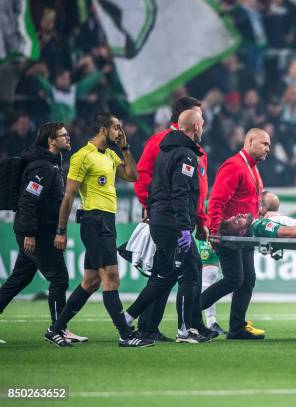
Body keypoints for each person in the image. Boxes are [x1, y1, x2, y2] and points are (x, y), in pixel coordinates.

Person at [44, 112, 151, 348]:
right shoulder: (83, 156)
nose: (120, 132)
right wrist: (60, 230)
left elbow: (132, 176)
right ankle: (125, 334)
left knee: (91, 282)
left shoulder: (111, 154)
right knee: (111, 279)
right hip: (94, 221)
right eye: (116, 128)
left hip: (107, 221)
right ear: (103, 129)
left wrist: (126, 148)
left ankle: (55, 329)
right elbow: (69, 195)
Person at [133, 96, 218, 341]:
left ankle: (150, 325)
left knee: (169, 272)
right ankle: (184, 326)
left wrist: (201, 219)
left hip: (184, 217)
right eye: (198, 115)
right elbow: (144, 174)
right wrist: (150, 205)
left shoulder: (196, 148)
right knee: (184, 270)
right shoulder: (160, 142)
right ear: (185, 117)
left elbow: (199, 189)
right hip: (169, 217)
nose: (202, 120)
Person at [0, 123, 86, 344]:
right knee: (59, 279)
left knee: (19, 279)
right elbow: (28, 201)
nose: (68, 138)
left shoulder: (51, 164)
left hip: (36, 231)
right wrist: (29, 233)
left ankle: (60, 327)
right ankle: (58, 329)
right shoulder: (43, 169)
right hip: (37, 233)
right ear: (51, 140)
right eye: (63, 135)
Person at [203, 128, 270, 340]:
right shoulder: (234, 166)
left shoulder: (253, 168)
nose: (268, 148)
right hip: (229, 234)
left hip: (245, 234)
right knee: (234, 279)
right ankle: (190, 312)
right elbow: (216, 201)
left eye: (268, 144)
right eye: (264, 144)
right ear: (250, 141)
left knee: (248, 279)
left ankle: (237, 328)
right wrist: (214, 232)